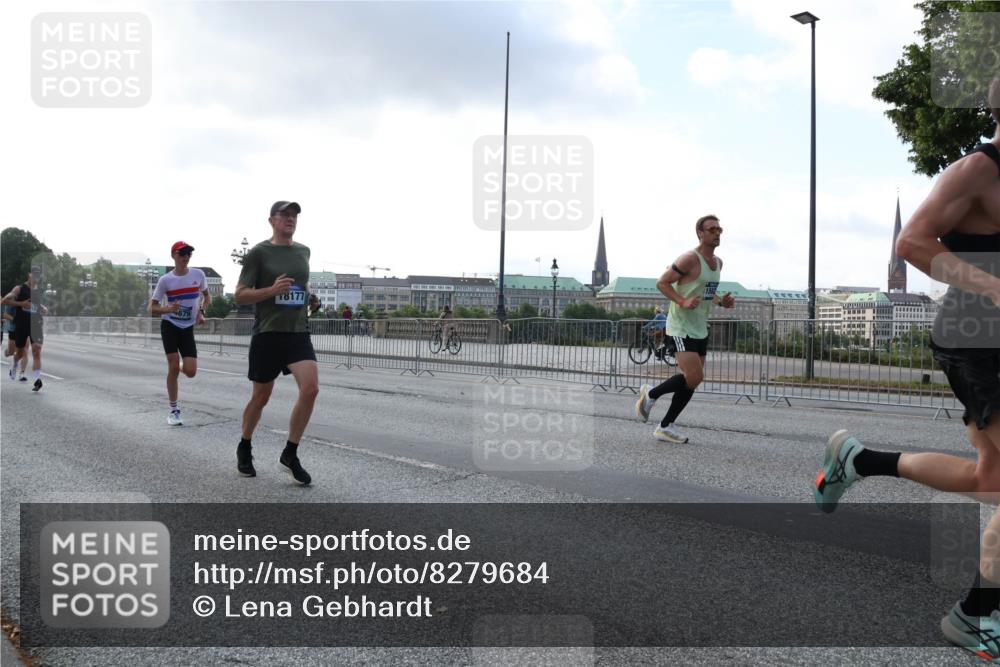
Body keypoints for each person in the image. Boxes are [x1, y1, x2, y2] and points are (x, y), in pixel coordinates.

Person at [813, 72, 1000, 661]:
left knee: (991, 478)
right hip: (976, 339)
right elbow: (913, 243)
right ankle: (976, 614)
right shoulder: (977, 171)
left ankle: (859, 460)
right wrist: (992, 287)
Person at [234, 201, 317, 485]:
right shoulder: (258, 253)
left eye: (294, 215)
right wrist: (271, 290)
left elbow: (300, 285)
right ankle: (245, 445)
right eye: (284, 214)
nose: (290, 219)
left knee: (311, 389)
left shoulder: (303, 251)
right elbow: (240, 295)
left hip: (297, 332)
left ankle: (290, 453)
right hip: (268, 334)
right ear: (272, 220)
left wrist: (309, 296)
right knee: (261, 397)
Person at [634, 215, 734, 442]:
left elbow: (706, 291)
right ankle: (651, 394)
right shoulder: (689, 258)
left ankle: (665, 426)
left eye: (719, 229)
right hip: (680, 327)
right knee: (694, 375)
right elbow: (662, 282)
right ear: (700, 232)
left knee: (694, 380)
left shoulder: (718, 263)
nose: (717, 233)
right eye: (712, 229)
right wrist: (682, 301)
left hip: (699, 326)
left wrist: (721, 302)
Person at [149, 242, 210, 426]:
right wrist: (168, 308)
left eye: (189, 253)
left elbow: (207, 297)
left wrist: (201, 312)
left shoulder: (198, 275)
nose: (186, 257)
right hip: (170, 325)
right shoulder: (165, 280)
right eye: (182, 253)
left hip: (187, 328)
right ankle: (173, 410)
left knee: (190, 372)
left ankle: (181, 365)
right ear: (173, 255)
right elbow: (151, 308)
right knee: (173, 367)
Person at [2, 266, 48, 391]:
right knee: (21, 353)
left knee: (36, 352)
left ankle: (37, 379)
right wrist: (20, 304)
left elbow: (37, 305)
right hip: (21, 325)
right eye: (34, 274)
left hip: (36, 325)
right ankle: (15, 364)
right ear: (29, 274)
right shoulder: (19, 289)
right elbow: (5, 301)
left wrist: (42, 309)